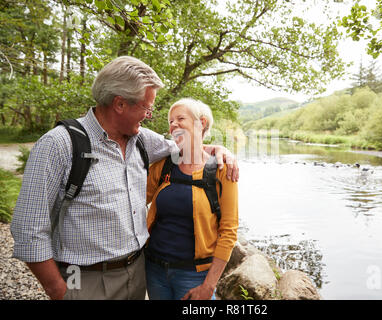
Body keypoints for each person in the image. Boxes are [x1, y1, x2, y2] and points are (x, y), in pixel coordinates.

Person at [10, 56, 238, 300]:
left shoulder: (142, 140)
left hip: (138, 274)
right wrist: (58, 290)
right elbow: (28, 229)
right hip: (84, 280)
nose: (150, 116)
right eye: (146, 107)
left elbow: (187, 147)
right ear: (120, 104)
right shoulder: (58, 145)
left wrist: (218, 150)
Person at [145, 98, 238, 300]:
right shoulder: (163, 166)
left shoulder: (221, 170)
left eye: (180, 118)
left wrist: (209, 286)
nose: (173, 124)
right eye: (170, 121)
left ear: (201, 123)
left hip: (195, 276)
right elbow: (133, 201)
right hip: (154, 270)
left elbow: (229, 231)